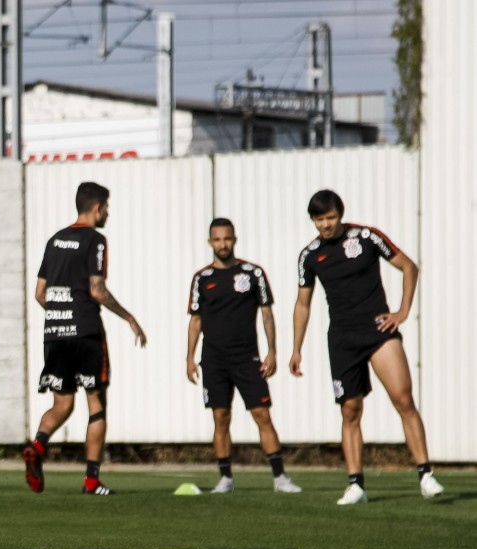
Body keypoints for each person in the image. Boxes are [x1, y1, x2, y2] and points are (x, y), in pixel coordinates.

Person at [289, 189, 444, 505]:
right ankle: (356, 484)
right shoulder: (310, 254)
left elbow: (409, 267)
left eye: (330, 218)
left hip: (378, 332)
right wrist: (296, 348)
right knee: (350, 410)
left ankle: (426, 474)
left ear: (340, 215)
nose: (325, 225)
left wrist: (402, 311)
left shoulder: (367, 237)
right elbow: (303, 304)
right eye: (319, 220)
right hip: (343, 340)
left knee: (402, 398)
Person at [23, 182, 147, 496]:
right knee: (96, 404)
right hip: (87, 331)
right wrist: (129, 317)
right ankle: (91, 480)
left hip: (54, 333)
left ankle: (37, 446)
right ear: (97, 208)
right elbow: (97, 289)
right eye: (106, 207)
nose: (106, 213)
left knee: (62, 404)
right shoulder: (95, 239)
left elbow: (40, 293)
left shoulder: (54, 240)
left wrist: (60, 314)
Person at [186, 218, 302, 494]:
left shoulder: (253, 274)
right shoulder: (201, 279)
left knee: (262, 414)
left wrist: (272, 351)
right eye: (217, 239)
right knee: (221, 417)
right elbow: (195, 321)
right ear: (210, 242)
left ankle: (280, 478)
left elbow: (267, 314)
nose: (222, 244)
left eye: (227, 239)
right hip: (213, 360)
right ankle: (225, 478)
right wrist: (189, 357)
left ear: (234, 239)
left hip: (246, 359)